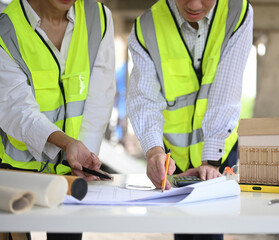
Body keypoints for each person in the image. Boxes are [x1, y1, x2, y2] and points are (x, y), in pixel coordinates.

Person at [127, 0, 253, 239]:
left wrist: (211, 162)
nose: (194, 4)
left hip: (219, 153)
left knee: (210, 230)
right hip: (176, 159)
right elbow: (145, 99)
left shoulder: (238, 12)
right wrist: (154, 151)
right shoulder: (147, 27)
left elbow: (225, 92)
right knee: (183, 230)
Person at [0, 0, 115, 239]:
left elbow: (98, 101)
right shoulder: (6, 27)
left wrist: (85, 159)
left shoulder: (98, 17)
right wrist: (66, 143)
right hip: (15, 172)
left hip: (71, 171)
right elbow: (16, 109)